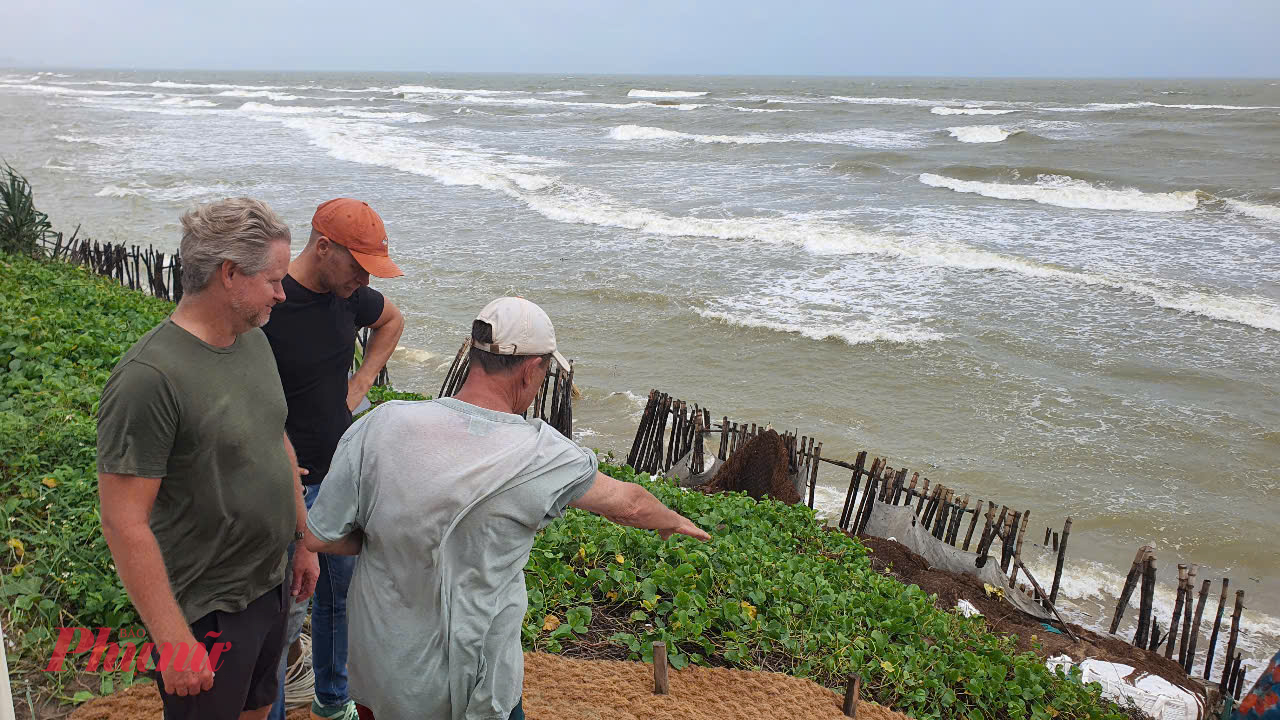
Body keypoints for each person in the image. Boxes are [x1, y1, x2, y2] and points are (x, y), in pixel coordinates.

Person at [303, 296, 710, 720]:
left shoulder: (381, 423)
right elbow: (628, 504)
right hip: (472, 691)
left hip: (382, 676)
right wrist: (672, 519)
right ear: (532, 369)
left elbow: (319, 535)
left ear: (474, 354)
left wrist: (385, 538)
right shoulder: (541, 453)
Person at [97, 198, 319, 720]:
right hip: (207, 610)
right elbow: (122, 521)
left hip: (268, 585)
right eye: (273, 280)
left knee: (259, 709)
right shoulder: (148, 378)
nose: (282, 294)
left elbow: (275, 437)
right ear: (229, 274)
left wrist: (302, 538)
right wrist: (173, 638)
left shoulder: (254, 342)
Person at [261, 198, 404, 720]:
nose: (366, 281)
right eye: (359, 266)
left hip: (338, 474)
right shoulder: (271, 302)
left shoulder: (350, 297)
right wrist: (267, 461)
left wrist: (361, 381)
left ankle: (332, 699)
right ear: (324, 248)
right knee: (279, 621)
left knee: (340, 600)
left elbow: (392, 320)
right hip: (285, 487)